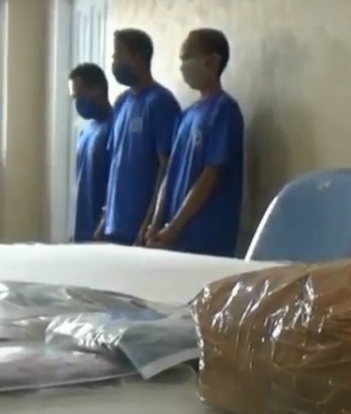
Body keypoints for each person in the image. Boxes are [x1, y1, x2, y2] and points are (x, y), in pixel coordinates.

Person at [146, 28, 244, 257]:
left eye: (187, 58)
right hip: (173, 238)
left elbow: (210, 175)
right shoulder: (186, 115)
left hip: (206, 237)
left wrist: (175, 227)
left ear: (211, 62)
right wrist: (157, 223)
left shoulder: (223, 110)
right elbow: (170, 174)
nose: (183, 66)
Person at [97, 28, 181, 244]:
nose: (114, 62)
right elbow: (116, 165)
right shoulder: (121, 103)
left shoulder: (160, 102)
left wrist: (149, 224)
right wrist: (104, 220)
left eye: (118, 55)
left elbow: (166, 167)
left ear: (138, 57)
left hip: (139, 227)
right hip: (115, 224)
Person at [68, 63, 113, 242]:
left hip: (104, 230)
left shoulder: (116, 126)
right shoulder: (87, 132)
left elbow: (119, 182)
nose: (78, 102)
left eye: (81, 95)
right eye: (75, 98)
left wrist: (103, 223)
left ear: (98, 89)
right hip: (84, 228)